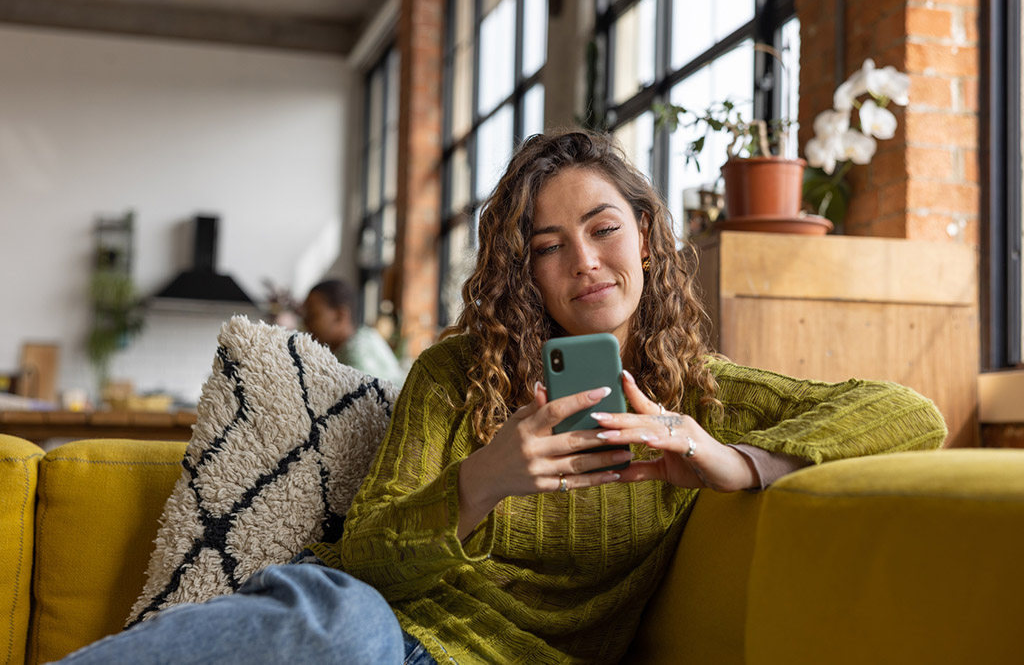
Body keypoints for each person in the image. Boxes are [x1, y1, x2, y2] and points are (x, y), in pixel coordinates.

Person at [54, 130, 946, 665]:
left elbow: (912, 411)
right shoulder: (460, 374)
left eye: (602, 229)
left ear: (645, 234)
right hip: (381, 642)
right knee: (342, 622)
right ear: (528, 272)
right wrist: (483, 480)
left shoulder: (701, 397)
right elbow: (364, 559)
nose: (584, 261)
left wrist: (727, 458)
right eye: (549, 246)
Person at [301, 278, 406, 387]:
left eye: (312, 316)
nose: (306, 323)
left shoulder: (356, 359)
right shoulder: (366, 335)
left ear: (340, 316)